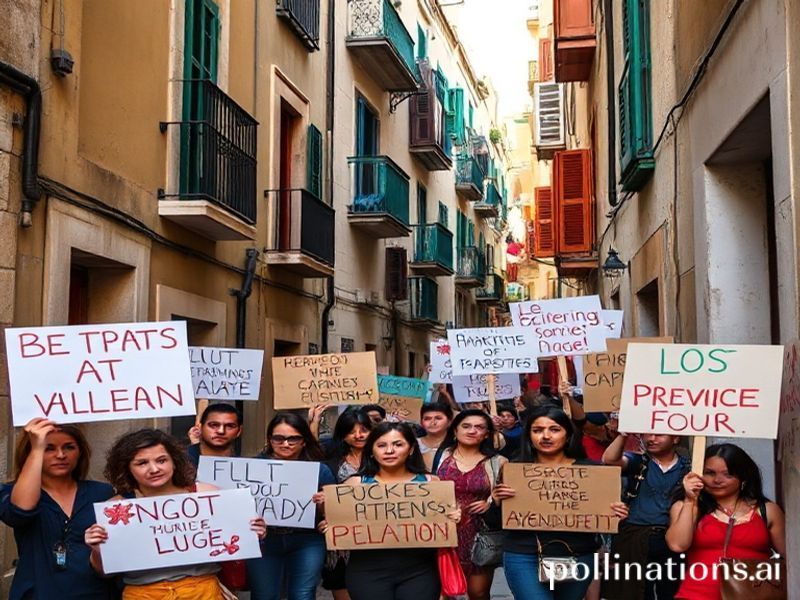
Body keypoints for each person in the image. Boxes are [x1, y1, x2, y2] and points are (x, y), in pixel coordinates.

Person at [84, 428, 266, 599]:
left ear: (174, 461)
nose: (154, 469)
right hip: (143, 594)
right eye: (142, 463)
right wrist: (98, 550)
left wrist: (252, 532)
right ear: (127, 468)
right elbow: (104, 572)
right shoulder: (116, 509)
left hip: (203, 592)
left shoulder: (206, 495)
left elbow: (234, 545)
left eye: (162, 460)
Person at [492, 406, 629, 600]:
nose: (546, 436)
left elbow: (604, 518)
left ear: (568, 434)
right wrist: (497, 501)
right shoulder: (514, 470)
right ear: (528, 435)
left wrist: (618, 513)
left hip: (577, 554)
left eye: (554, 430)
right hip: (525, 555)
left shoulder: (591, 471)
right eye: (537, 430)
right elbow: (496, 521)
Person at [321, 421, 460, 600]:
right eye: (381, 445)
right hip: (366, 571)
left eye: (398, 444)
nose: (389, 451)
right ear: (371, 451)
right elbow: (338, 526)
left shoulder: (431, 484)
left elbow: (446, 529)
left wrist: (455, 518)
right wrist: (329, 523)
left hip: (420, 570)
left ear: (411, 449)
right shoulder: (355, 485)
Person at [0, 418, 117, 600]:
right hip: (37, 593)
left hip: (94, 593)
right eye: (49, 448)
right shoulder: (13, 493)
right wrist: (37, 446)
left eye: (69, 447)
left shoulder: (102, 492)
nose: (61, 455)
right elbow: (19, 512)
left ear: (80, 452)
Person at [666, 443, 785, 599]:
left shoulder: (767, 511)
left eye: (728, 474)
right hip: (695, 594)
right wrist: (690, 501)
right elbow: (677, 545)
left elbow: (792, 560)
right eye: (709, 473)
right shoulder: (686, 507)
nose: (717, 480)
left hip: (753, 594)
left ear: (743, 478)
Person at [247, 412, 335, 600]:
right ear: (270, 439)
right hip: (265, 540)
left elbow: (331, 515)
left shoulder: (320, 470)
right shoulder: (251, 467)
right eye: (279, 438)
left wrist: (325, 503)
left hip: (307, 540)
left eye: (293, 439)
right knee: (264, 595)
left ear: (304, 441)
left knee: (302, 595)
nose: (285, 444)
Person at [601, 432, 689, 600]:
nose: (651, 439)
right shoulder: (638, 462)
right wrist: (623, 435)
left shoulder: (689, 467)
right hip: (634, 538)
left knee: (671, 591)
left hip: (672, 539)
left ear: (676, 438)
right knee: (632, 592)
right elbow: (610, 460)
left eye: (659, 435)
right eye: (647, 434)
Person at [435, 410, 506, 600]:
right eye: (466, 426)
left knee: (478, 592)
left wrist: (490, 502)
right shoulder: (439, 457)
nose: (472, 431)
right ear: (455, 430)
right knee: (443, 590)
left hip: (479, 534)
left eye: (479, 427)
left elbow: (505, 494)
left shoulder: (499, 462)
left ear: (487, 434)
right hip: (444, 532)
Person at [321, 410, 373, 600]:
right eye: (352, 431)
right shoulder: (331, 462)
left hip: (376, 535)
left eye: (364, 430)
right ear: (343, 434)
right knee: (341, 583)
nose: (358, 435)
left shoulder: (383, 458)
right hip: (342, 537)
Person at [186, 403, 242, 468]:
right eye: (214, 425)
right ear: (200, 427)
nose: (221, 431)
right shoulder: (180, 461)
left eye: (229, 426)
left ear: (239, 430)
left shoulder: (245, 465)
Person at [416, 401, 454, 469]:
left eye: (438, 418)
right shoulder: (413, 444)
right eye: (427, 419)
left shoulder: (457, 446)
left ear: (449, 421)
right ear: (421, 422)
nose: (433, 422)